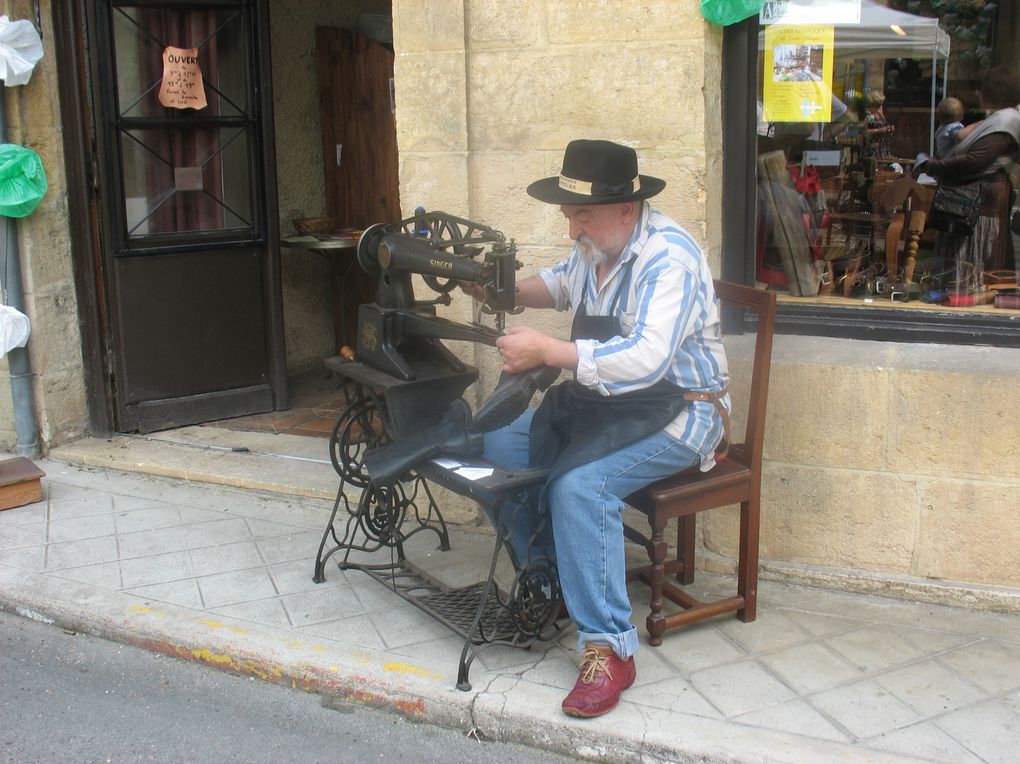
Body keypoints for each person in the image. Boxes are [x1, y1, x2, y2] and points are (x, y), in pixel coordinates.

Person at [461, 139, 729, 718]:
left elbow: (646, 359)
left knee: (580, 487)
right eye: (568, 213)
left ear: (626, 209)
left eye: (581, 214)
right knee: (501, 444)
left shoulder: (669, 258)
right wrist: (496, 288)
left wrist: (549, 350)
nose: (571, 228)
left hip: (683, 409)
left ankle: (608, 647)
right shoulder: (595, 248)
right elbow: (555, 285)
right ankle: (550, 577)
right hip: (610, 404)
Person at [914, 67, 1020, 286]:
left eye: (982, 88)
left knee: (972, 278)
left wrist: (932, 166)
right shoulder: (1001, 118)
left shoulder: (1007, 120)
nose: (978, 93)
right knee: (965, 274)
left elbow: (975, 161)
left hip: (978, 211)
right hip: (972, 209)